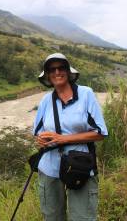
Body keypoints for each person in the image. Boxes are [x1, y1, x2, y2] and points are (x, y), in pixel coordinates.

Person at [32, 53, 108, 221]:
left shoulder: (86, 94)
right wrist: (40, 139)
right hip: (50, 167)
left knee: (83, 217)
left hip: (79, 165)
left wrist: (63, 139)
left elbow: (100, 133)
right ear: (47, 75)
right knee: (52, 217)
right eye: (52, 69)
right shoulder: (45, 101)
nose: (57, 72)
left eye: (61, 68)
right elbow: (37, 132)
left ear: (68, 71)